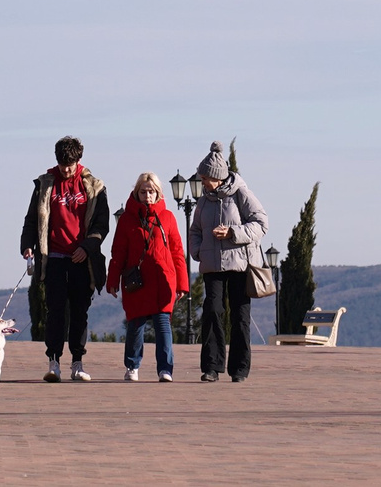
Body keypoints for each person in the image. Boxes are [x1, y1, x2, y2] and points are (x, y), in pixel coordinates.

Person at [19, 134, 109, 383]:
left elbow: (102, 223)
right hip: (54, 258)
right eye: (62, 165)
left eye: (70, 165)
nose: (66, 169)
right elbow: (31, 220)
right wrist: (27, 245)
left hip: (82, 259)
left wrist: (88, 247)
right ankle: (54, 361)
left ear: (79, 160)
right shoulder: (44, 185)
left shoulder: (94, 186)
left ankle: (78, 363)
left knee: (80, 312)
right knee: (55, 312)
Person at [183, 142, 267, 383]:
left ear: (217, 177)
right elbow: (195, 230)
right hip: (212, 266)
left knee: (240, 316)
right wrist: (197, 251)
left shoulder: (242, 194)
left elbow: (261, 224)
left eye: (205, 178)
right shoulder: (203, 200)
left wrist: (232, 233)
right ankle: (211, 367)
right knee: (212, 312)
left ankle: (239, 369)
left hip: (240, 266)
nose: (202, 182)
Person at [103, 172, 188, 383]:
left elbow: (177, 252)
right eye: (143, 191)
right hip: (137, 282)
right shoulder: (126, 219)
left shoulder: (167, 217)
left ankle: (165, 369)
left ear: (158, 193)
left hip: (163, 281)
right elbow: (118, 252)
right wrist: (112, 280)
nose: (148, 196)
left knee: (162, 326)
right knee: (135, 325)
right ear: (136, 192)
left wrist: (182, 284)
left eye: (152, 192)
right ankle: (132, 366)